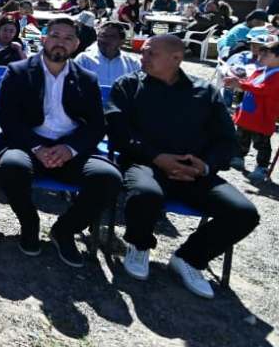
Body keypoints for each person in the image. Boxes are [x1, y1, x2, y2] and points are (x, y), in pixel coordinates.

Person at [107, 35, 259, 299]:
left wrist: (205, 166)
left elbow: (226, 140)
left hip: (192, 171)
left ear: (176, 58)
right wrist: (157, 157)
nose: (142, 58)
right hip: (145, 163)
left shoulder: (204, 92)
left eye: (151, 53)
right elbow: (119, 132)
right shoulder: (129, 85)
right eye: (143, 52)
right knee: (145, 194)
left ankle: (189, 258)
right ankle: (139, 245)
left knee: (243, 212)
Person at [0, 17, 121, 267]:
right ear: (43, 39)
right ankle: (29, 223)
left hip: (70, 150)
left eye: (67, 38)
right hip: (29, 146)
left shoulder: (87, 79)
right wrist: (37, 147)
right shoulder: (18, 72)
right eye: (54, 36)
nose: (60, 42)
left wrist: (70, 149)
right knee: (10, 166)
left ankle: (65, 230)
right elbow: (6, 118)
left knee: (108, 178)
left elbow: (97, 125)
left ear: (76, 45)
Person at [223, 38, 279, 181]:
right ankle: (238, 157)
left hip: (262, 116)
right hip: (247, 112)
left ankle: (262, 167)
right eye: (261, 52)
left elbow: (264, 89)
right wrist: (237, 82)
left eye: (266, 54)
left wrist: (241, 85)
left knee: (262, 143)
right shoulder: (260, 71)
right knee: (241, 136)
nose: (260, 55)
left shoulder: (277, 76)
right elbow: (249, 83)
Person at [74, 22, 141, 87]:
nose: (106, 40)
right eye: (103, 35)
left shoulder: (132, 63)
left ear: (122, 41)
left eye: (112, 36)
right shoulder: (84, 59)